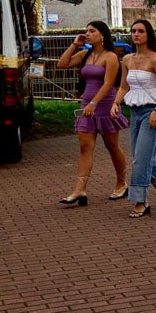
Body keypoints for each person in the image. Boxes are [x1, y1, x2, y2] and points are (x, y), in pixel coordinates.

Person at [57, 20, 128, 206]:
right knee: (85, 147)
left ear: (102, 34)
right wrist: (74, 44)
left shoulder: (110, 56)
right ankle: (80, 189)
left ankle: (122, 183)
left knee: (112, 146)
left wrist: (95, 103)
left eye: (91, 31)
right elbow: (62, 64)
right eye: (86, 31)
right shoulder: (85, 54)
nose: (87, 34)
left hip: (104, 105)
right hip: (87, 105)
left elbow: (108, 83)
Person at [112, 19, 156, 218]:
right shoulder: (127, 59)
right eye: (133, 31)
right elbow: (123, 86)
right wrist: (116, 103)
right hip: (135, 112)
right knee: (141, 157)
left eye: (140, 31)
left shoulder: (155, 59)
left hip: (152, 112)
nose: (136, 34)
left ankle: (141, 201)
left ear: (148, 35)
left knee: (140, 160)